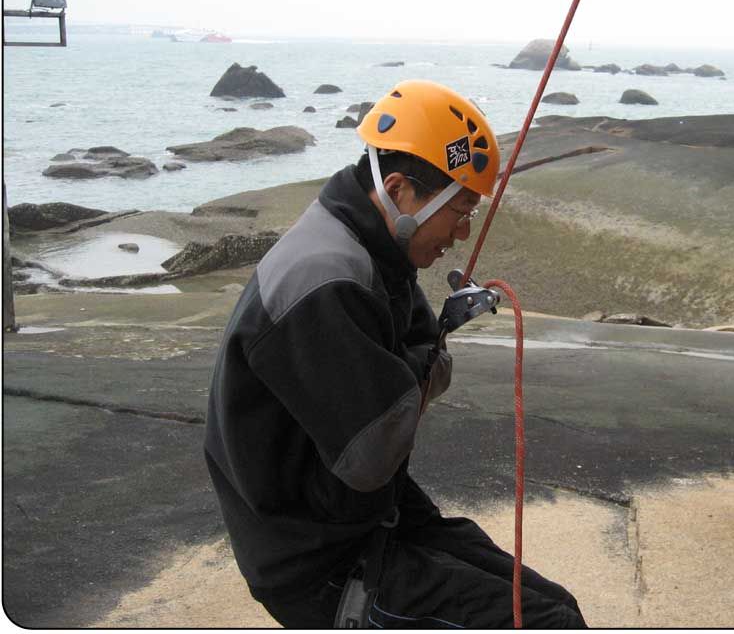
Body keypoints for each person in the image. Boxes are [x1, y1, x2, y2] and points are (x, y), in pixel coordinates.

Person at [204, 80, 586, 628]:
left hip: (364, 516)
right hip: (315, 561)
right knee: (546, 624)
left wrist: (412, 372)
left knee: (556, 606)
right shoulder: (326, 280)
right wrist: (417, 373)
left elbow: (421, 367)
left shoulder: (371, 246)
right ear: (400, 189)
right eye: (460, 210)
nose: (462, 234)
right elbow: (376, 445)